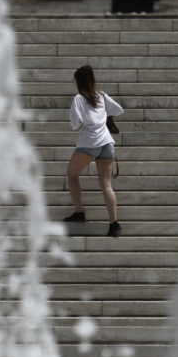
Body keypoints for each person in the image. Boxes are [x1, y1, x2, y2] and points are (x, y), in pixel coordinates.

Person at [63, 65, 124, 237]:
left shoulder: (79, 99)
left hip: (89, 143)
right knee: (106, 185)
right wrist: (105, 115)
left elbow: (75, 124)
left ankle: (79, 212)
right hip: (107, 143)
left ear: (78, 82)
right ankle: (114, 224)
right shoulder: (102, 96)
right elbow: (119, 110)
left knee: (72, 174)